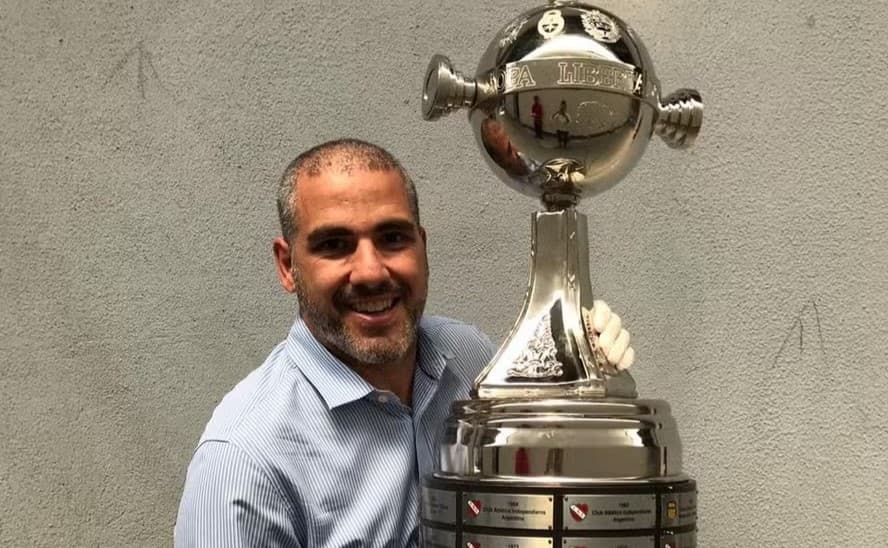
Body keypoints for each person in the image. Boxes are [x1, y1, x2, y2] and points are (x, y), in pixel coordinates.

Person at [174, 138, 633, 547]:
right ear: (288, 266)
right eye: (335, 245)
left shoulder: (470, 360)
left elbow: (551, 500)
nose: (372, 272)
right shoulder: (244, 464)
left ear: (422, 246)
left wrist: (586, 367)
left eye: (392, 238)